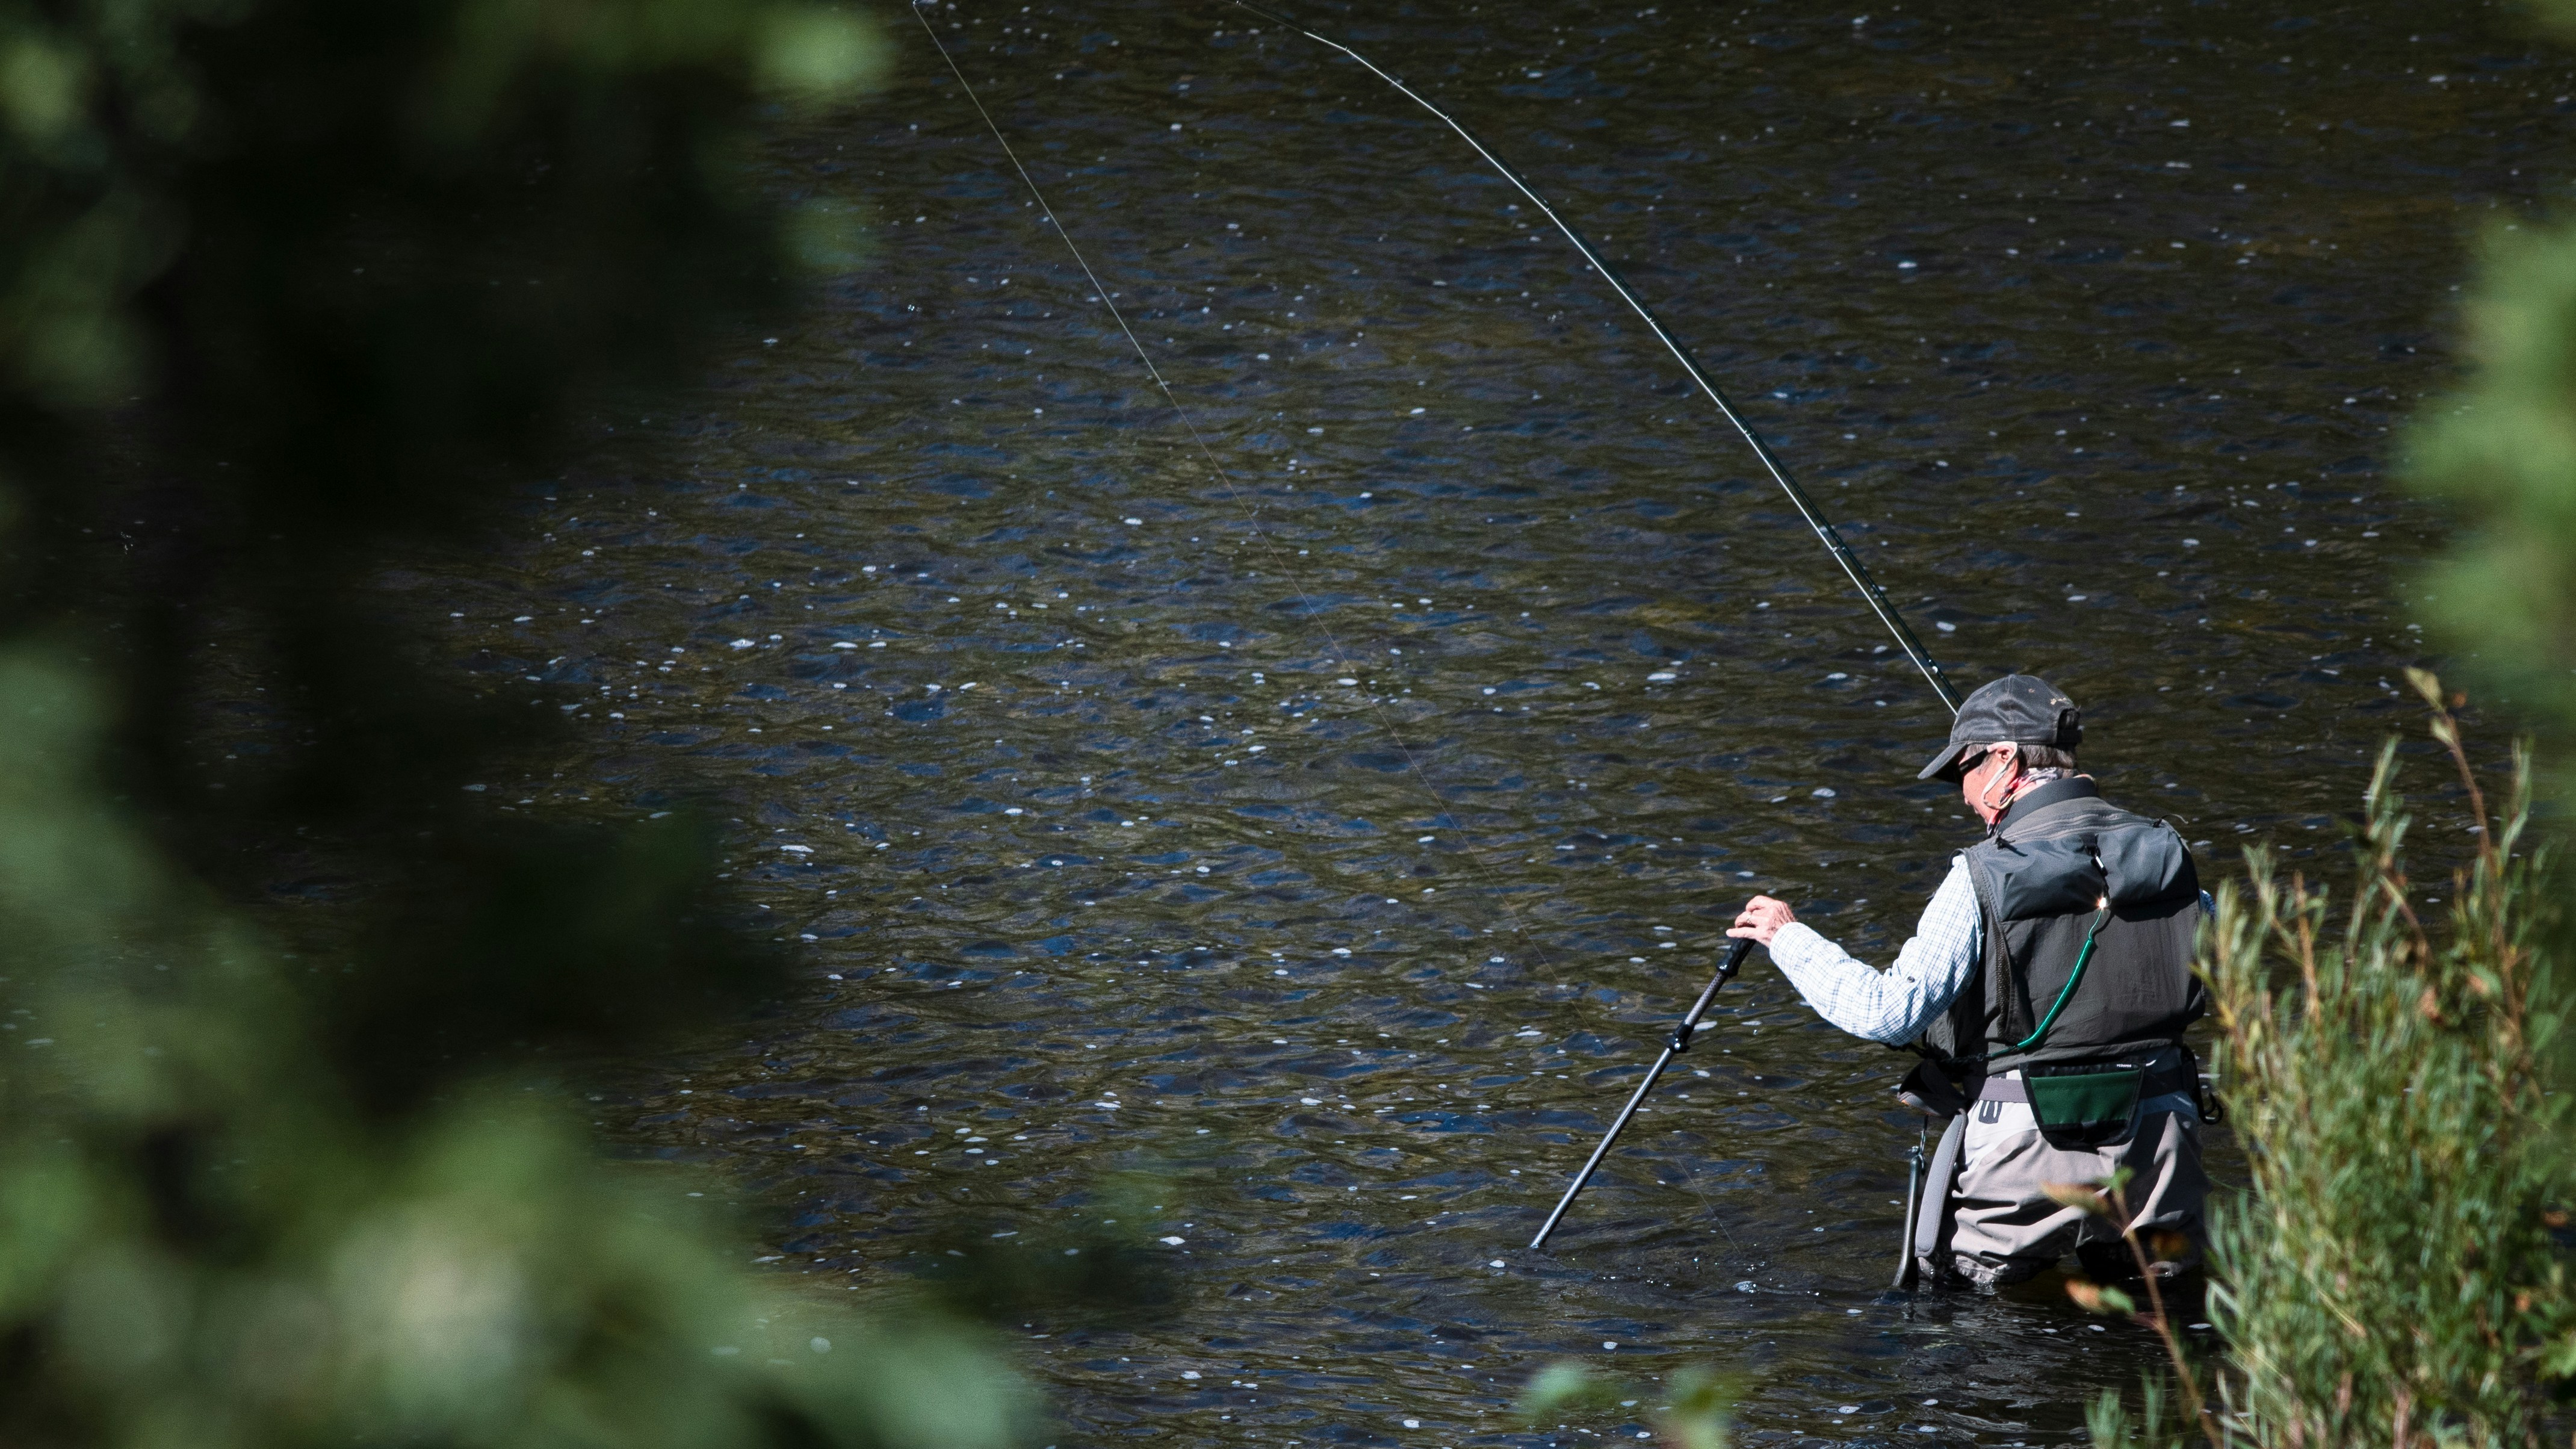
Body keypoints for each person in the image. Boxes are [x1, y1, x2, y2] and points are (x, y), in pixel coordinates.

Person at [1724, 674, 2212, 1288]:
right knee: (2157, 1319)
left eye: (1963, 771)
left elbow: (1888, 1012)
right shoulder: (2167, 853)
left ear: (2003, 760)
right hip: (2162, 1134)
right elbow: (2221, 974)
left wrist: (1788, 938)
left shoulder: (1979, 874)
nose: (1962, 795)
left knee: (1973, 1329)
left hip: (2023, 1140)